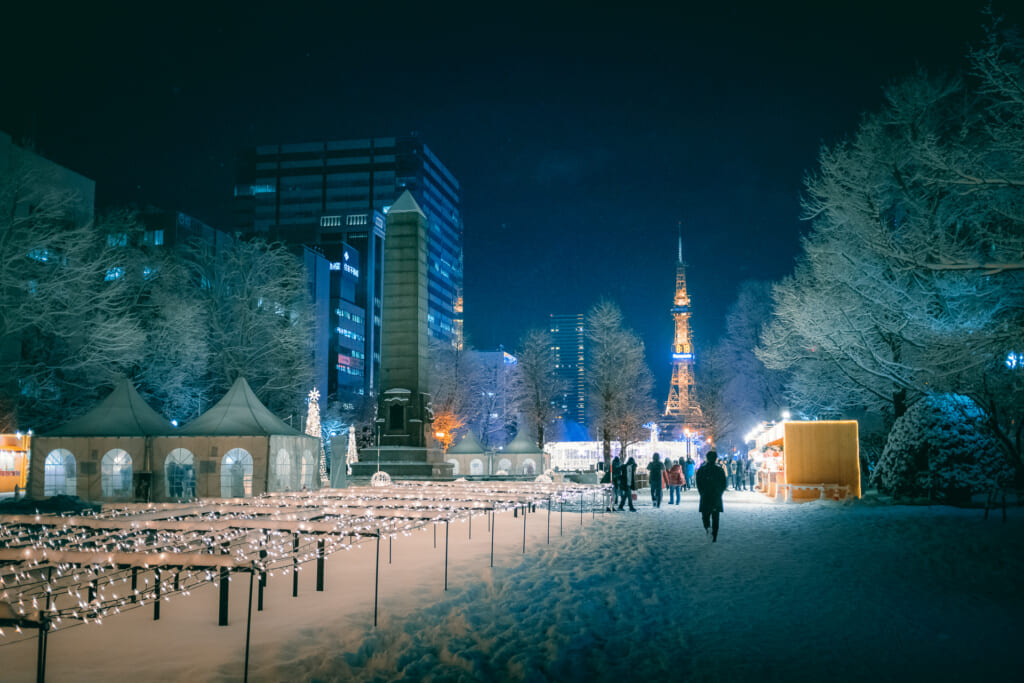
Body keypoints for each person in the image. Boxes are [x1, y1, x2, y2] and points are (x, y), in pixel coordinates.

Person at [696, 450, 728, 542]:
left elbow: (698, 483)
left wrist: (701, 492)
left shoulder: (702, 470)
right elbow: (724, 484)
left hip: (705, 496)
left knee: (705, 515)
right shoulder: (719, 470)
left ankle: (707, 528)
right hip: (716, 496)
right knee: (715, 517)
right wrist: (719, 492)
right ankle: (714, 535)